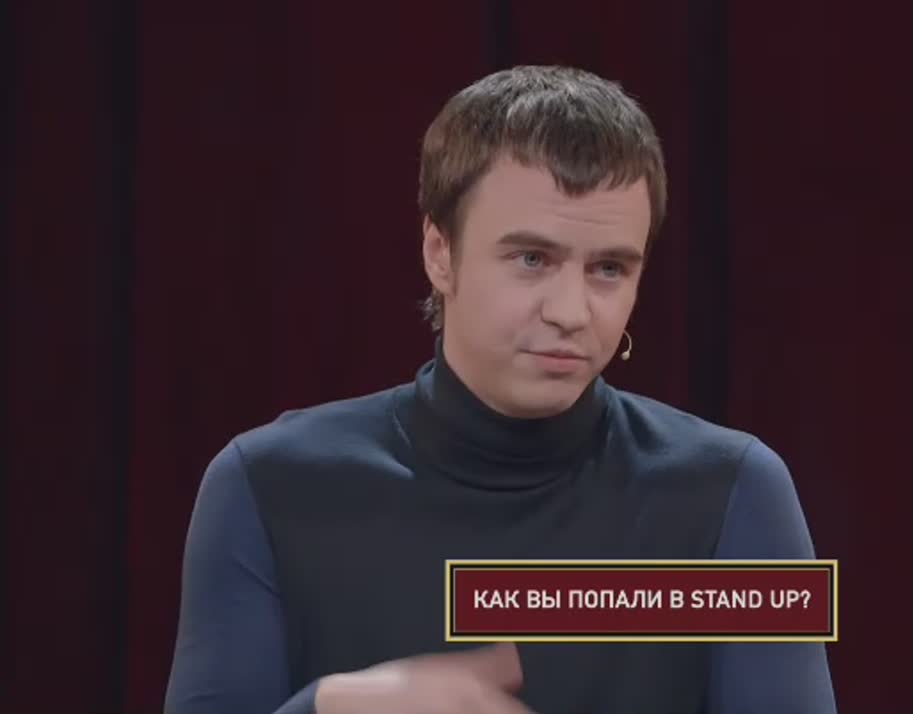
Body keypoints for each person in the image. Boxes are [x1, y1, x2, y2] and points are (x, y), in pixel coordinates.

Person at [164, 65, 837, 714]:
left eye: (608, 268)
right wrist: (332, 708)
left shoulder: (733, 491)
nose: (571, 311)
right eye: (532, 259)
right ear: (440, 253)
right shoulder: (270, 485)